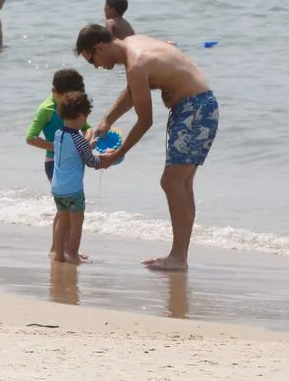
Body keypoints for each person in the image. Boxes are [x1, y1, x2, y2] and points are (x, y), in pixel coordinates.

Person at [75, 25, 219, 273]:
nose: (96, 67)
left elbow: (145, 121)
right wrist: (107, 121)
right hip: (198, 107)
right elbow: (134, 90)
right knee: (181, 184)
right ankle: (179, 256)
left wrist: (117, 155)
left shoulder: (136, 64)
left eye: (92, 61)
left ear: (99, 47)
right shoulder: (134, 42)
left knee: (172, 182)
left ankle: (178, 257)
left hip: (194, 110)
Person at [25, 69, 88, 257]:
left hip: (73, 163)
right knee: (64, 209)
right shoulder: (46, 110)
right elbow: (30, 137)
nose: (71, 102)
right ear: (54, 91)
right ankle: (58, 249)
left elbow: (87, 128)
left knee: (66, 207)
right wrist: (58, 146)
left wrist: (91, 140)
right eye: (67, 97)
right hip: (54, 162)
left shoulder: (72, 106)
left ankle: (64, 249)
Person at [50, 91, 118, 264]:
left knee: (62, 221)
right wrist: (106, 158)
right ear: (81, 116)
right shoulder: (79, 140)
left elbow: (73, 152)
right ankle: (73, 253)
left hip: (58, 189)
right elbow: (91, 162)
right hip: (74, 190)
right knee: (76, 223)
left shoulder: (58, 134)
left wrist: (89, 145)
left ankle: (58, 254)